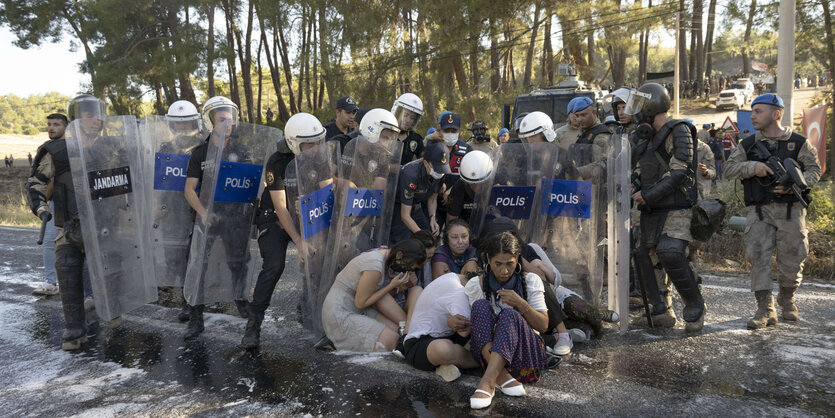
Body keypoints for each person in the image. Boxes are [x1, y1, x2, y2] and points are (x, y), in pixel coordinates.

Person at [723, 93, 820, 329]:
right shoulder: (748, 145)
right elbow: (729, 170)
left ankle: (787, 299)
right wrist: (753, 167)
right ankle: (765, 308)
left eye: (758, 111)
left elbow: (815, 171)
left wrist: (796, 184)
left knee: (794, 258)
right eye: (752, 111)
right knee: (758, 257)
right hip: (759, 211)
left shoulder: (798, 143)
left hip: (791, 211)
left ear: (776, 114)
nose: (753, 116)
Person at [27, 95, 109, 350]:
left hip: (106, 225)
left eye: (97, 115)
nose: (93, 120)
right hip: (70, 224)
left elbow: (130, 181)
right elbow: (36, 182)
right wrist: (40, 206)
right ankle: (74, 329)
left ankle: (113, 311)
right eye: (87, 115)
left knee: (111, 272)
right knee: (67, 266)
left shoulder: (112, 148)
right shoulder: (57, 150)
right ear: (76, 119)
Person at [241, 112, 323, 349]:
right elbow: (280, 206)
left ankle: (316, 316)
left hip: (306, 215)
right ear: (295, 142)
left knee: (322, 258)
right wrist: (298, 240)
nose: (316, 148)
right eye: (310, 143)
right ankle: (253, 325)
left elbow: (325, 193)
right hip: (275, 219)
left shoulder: (319, 158)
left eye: (318, 142)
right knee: (274, 264)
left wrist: (311, 204)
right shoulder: (276, 162)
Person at [630, 82, 706, 333]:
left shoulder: (679, 130)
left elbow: (679, 172)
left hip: (676, 206)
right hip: (650, 208)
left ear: (652, 105)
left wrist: (647, 195)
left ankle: (695, 306)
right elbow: (641, 167)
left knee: (671, 252)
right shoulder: (646, 134)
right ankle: (661, 309)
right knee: (644, 255)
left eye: (640, 105)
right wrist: (635, 184)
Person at [182, 96, 251, 339]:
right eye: (222, 120)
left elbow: (250, 184)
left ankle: (241, 299)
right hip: (207, 217)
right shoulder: (200, 153)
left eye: (230, 120)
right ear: (210, 121)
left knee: (238, 261)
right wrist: (203, 212)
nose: (227, 124)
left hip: (235, 217)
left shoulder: (242, 151)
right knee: (198, 265)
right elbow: (189, 189)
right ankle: (195, 317)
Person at [464, 232, 548, 409]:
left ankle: (487, 382)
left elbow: (543, 325)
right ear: (488, 259)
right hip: (490, 356)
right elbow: (478, 330)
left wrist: (521, 304)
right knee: (479, 306)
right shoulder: (476, 284)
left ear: (518, 258)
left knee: (509, 315)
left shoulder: (530, 280)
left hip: (525, 360)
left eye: (510, 264)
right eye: (498, 264)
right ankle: (501, 376)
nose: (504, 271)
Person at [321, 239, 427, 352]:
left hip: (358, 309)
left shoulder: (384, 257)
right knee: (391, 340)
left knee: (398, 331)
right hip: (340, 312)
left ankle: (410, 334)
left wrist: (401, 287)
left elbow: (374, 295)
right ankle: (335, 341)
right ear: (399, 254)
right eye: (409, 265)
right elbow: (360, 302)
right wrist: (391, 286)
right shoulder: (375, 264)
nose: (408, 269)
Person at [402, 272, 479, 382]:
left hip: (447, 335)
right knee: (443, 349)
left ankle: (449, 365)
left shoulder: (451, 276)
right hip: (419, 344)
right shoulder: (459, 291)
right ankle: (477, 361)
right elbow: (464, 332)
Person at [31, 114, 69, 297]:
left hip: (77, 203)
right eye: (49, 124)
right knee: (48, 241)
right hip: (56, 202)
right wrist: (41, 204)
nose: (51, 128)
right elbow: (41, 180)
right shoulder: (49, 150)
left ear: (66, 127)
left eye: (56, 124)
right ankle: (51, 282)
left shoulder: (74, 147)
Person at [389, 141, 450, 243]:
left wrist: (432, 217)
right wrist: (422, 236)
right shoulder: (411, 173)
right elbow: (405, 215)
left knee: (431, 236)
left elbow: (433, 198)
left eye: (442, 168)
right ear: (426, 163)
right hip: (399, 207)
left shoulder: (440, 172)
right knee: (405, 241)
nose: (440, 172)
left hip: (416, 205)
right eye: (437, 168)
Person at [445, 150, 493, 224]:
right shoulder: (458, 188)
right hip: (466, 225)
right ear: (465, 181)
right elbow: (452, 220)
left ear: (490, 178)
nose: (477, 187)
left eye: (481, 183)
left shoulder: (498, 183)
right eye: (472, 183)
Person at [391, 93, 426, 165]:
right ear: (397, 113)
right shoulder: (386, 134)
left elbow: (423, 161)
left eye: (412, 118)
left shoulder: (416, 139)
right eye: (406, 115)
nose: (408, 120)